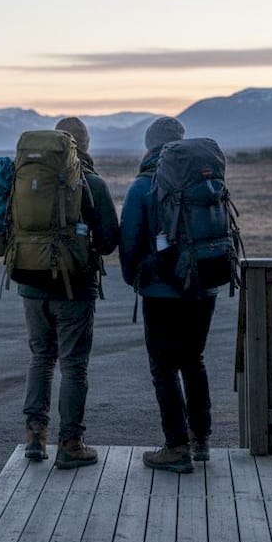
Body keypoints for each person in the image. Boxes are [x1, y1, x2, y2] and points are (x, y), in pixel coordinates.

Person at [15, 117, 119, 469]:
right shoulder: (92, 183)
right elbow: (107, 243)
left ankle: (34, 436)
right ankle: (70, 443)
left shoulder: (26, 179)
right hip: (74, 288)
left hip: (30, 282)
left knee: (41, 357)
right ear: (83, 147)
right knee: (74, 365)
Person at [119, 116, 217, 474]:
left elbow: (129, 241)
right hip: (204, 284)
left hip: (161, 291)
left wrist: (138, 279)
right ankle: (201, 439)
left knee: (163, 368)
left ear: (149, 146)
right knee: (194, 360)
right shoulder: (202, 176)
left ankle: (176, 447)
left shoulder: (142, 185)